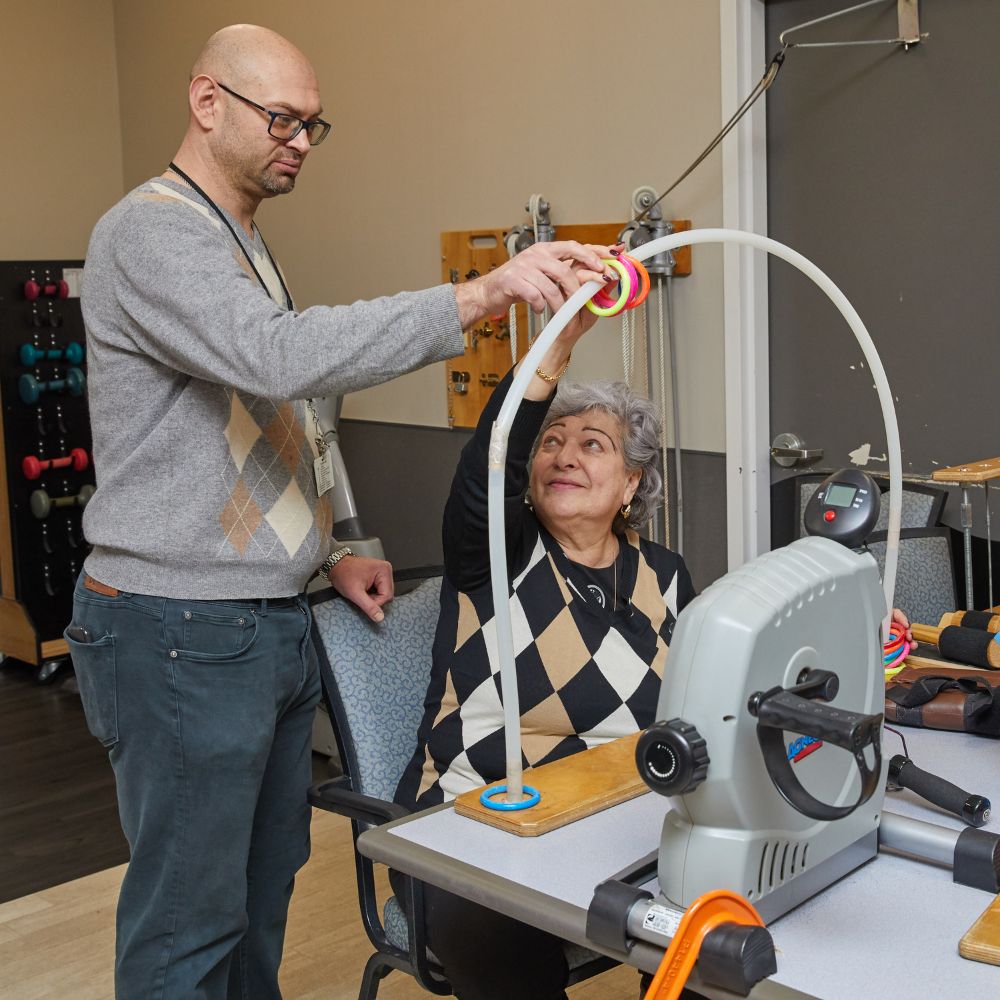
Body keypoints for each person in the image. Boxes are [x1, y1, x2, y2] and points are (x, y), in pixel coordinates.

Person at [68, 22, 620, 1000]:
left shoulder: (239, 240)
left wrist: (334, 546)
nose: (299, 141)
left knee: (254, 902)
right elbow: (279, 357)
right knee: (187, 924)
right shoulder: (151, 230)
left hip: (259, 624)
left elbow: (275, 417)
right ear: (207, 103)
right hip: (176, 630)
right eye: (280, 118)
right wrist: (481, 294)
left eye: (313, 125)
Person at [394, 300, 695, 999]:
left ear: (631, 485)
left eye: (593, 444)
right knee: (493, 929)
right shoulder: (500, 556)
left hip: (617, 827)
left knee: (732, 913)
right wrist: (549, 356)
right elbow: (484, 472)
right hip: (475, 829)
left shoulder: (667, 574)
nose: (563, 454)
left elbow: (712, 694)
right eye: (552, 442)